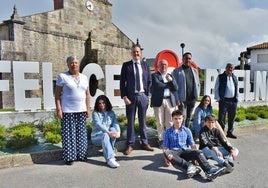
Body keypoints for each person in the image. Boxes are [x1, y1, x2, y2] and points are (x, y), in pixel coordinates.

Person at [162, 110, 226, 181]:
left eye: (179, 118)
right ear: (172, 119)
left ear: (183, 118)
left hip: (185, 151)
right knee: (167, 153)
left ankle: (209, 170)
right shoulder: (167, 132)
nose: (178, 121)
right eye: (175, 118)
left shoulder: (187, 130)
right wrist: (166, 158)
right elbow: (165, 146)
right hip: (174, 153)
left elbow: (192, 144)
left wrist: (195, 158)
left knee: (198, 152)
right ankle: (190, 166)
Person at [55, 55, 90, 165]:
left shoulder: (84, 77)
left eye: (75, 62)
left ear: (78, 64)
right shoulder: (62, 77)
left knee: (82, 135)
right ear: (68, 64)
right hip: (68, 110)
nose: (73, 64)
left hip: (81, 110)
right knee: (69, 135)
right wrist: (59, 110)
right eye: (71, 63)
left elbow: (87, 95)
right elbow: (57, 95)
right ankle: (70, 157)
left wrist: (88, 109)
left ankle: (81, 155)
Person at [119, 44, 154, 155]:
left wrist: (148, 96)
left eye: (138, 52)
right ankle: (130, 144)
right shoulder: (126, 65)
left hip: (143, 96)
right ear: (131, 53)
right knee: (131, 122)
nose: (136, 54)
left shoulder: (145, 65)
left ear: (140, 53)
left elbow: (149, 81)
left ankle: (144, 142)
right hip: (131, 97)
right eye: (134, 52)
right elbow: (122, 83)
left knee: (143, 121)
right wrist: (124, 97)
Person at [151, 59, 178, 147]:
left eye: (165, 65)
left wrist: (171, 81)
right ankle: (161, 140)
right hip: (159, 101)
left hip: (169, 101)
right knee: (160, 122)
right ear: (158, 66)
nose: (164, 66)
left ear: (167, 66)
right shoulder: (154, 75)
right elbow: (158, 86)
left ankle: (169, 139)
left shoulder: (170, 75)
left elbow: (176, 88)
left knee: (170, 122)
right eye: (162, 65)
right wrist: (169, 84)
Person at [91, 95, 121, 168]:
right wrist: (108, 132)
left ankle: (110, 152)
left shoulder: (111, 112)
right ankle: (110, 159)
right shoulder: (95, 113)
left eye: (103, 103)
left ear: (106, 103)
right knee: (105, 134)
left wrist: (118, 132)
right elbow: (99, 125)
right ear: (97, 104)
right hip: (96, 137)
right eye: (99, 103)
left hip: (108, 135)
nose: (102, 105)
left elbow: (115, 123)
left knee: (113, 129)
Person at [173, 52, 200, 128]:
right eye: (186, 58)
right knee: (182, 118)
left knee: (189, 117)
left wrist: (197, 95)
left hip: (192, 99)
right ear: (183, 60)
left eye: (189, 58)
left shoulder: (195, 71)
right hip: (182, 99)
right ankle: (181, 133)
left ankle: (186, 132)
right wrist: (177, 98)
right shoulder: (177, 71)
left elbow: (198, 84)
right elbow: (174, 87)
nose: (188, 60)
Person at [214, 63, 239, 139]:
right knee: (222, 118)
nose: (230, 69)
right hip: (224, 100)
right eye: (229, 67)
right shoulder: (220, 77)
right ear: (226, 68)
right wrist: (218, 98)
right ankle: (221, 133)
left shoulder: (234, 77)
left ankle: (230, 132)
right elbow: (216, 88)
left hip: (233, 101)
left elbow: (236, 88)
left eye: (232, 68)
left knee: (232, 117)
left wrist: (237, 98)